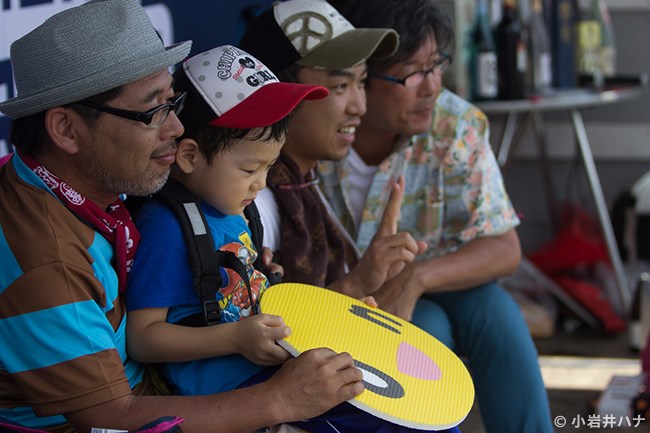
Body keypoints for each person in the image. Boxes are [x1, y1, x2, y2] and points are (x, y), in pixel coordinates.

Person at [0, 1, 366, 432]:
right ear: (65, 129)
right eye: (151, 111)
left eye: (172, 101)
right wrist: (281, 399)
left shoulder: (64, 183)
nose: (175, 128)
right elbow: (110, 418)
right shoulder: (47, 259)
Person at [243, 0, 554, 432]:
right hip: (359, 305)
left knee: (496, 313)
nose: (432, 87)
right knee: (425, 333)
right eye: (412, 73)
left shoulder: (453, 124)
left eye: (437, 66)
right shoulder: (294, 152)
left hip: (437, 285)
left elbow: (504, 247)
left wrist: (417, 277)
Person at [125, 43, 459, 433]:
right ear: (189, 156)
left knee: (420, 414)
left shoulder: (236, 212)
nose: (261, 183)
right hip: (232, 390)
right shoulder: (167, 226)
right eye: (250, 168)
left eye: (269, 166)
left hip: (273, 368)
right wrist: (234, 338)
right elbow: (142, 338)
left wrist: (342, 314)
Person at [239, 0, 427, 300]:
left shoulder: (303, 182)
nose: (359, 107)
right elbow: (264, 325)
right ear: (279, 93)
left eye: (361, 82)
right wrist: (356, 283)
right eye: (340, 86)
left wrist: (369, 281)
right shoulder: (249, 202)